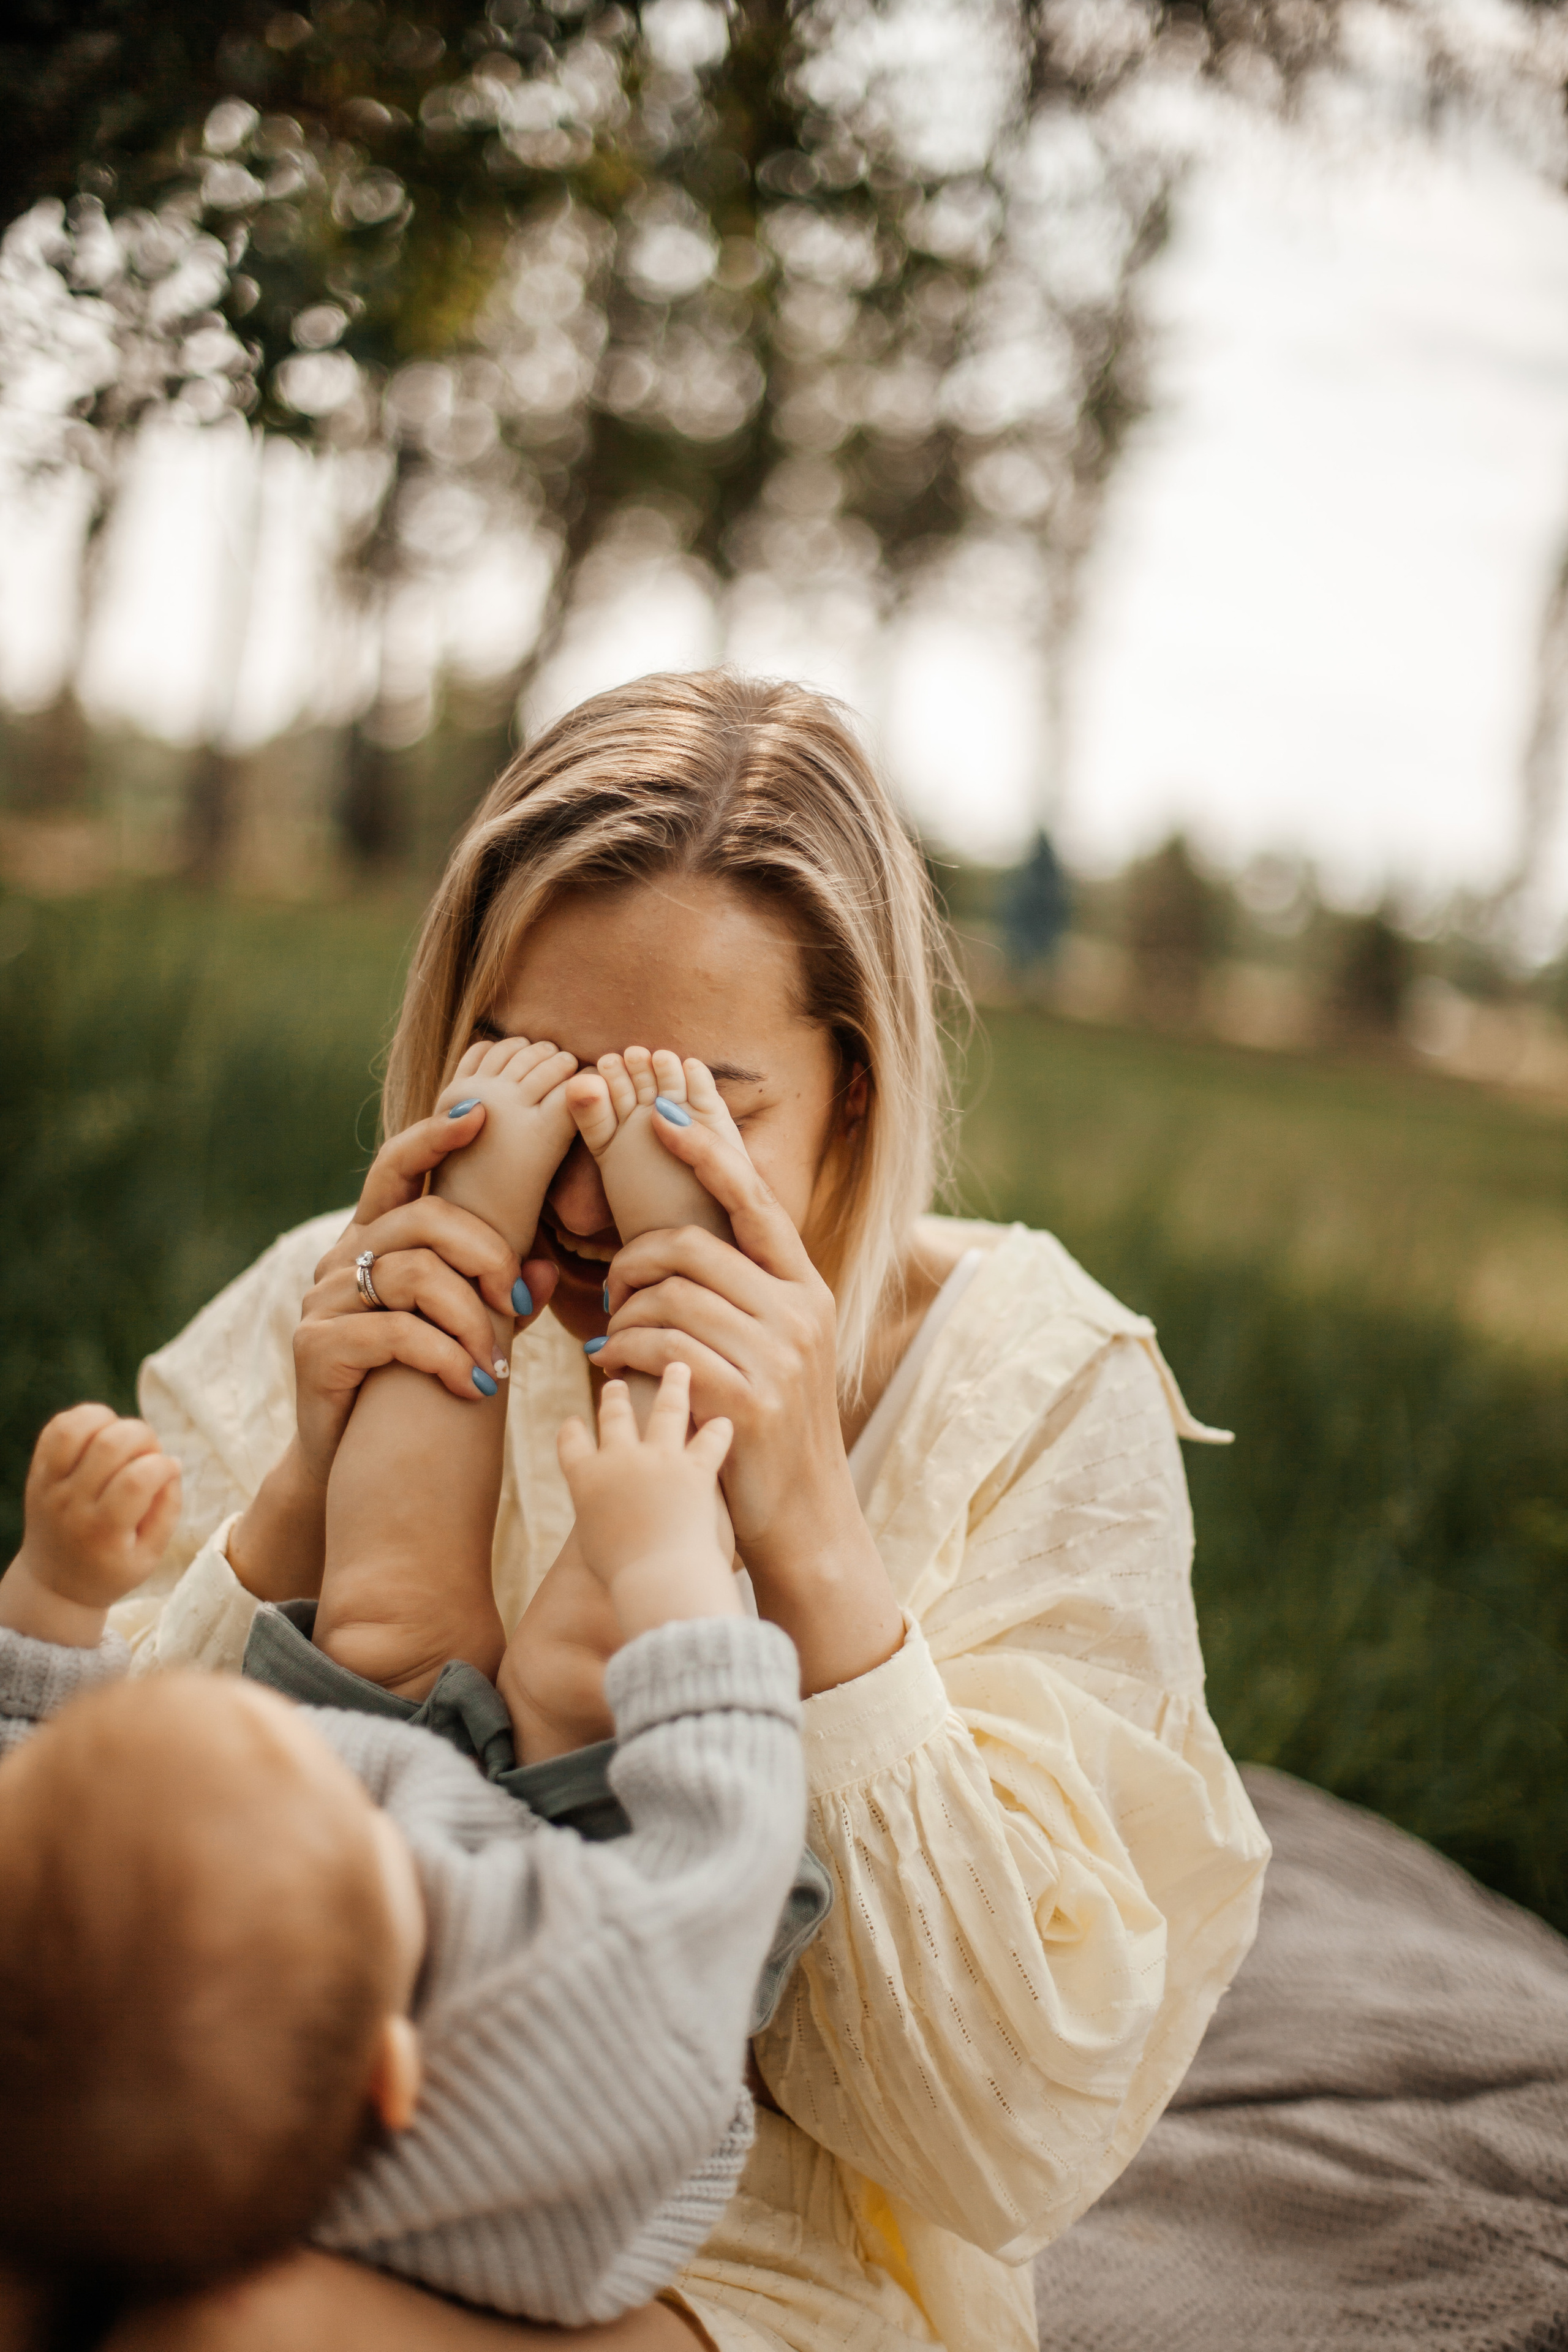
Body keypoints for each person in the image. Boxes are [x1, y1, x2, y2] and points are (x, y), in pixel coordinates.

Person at [113, 669, 1271, 2352]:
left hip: (718, 2254)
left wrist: (808, 1525)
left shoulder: (1028, 1379)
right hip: (263, 2128)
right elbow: (92, 1926)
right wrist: (299, 1495)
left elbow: (1007, 2134)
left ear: (854, 1096)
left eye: (692, 1110)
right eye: (533, 1079)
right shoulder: (352, 1289)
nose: (585, 1194)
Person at [0, 1368, 807, 2325]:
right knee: (609, 1592)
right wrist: (668, 1563)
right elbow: (726, 1840)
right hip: (605, 1895)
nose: (343, 1772)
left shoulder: (159, 2088)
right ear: (394, 2071)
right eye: (354, 1813)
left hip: (412, 1929)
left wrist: (53, 1592)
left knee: (380, 1607)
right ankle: (676, 1333)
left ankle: (456, 1270)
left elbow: (38, 1823)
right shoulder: (586, 2016)